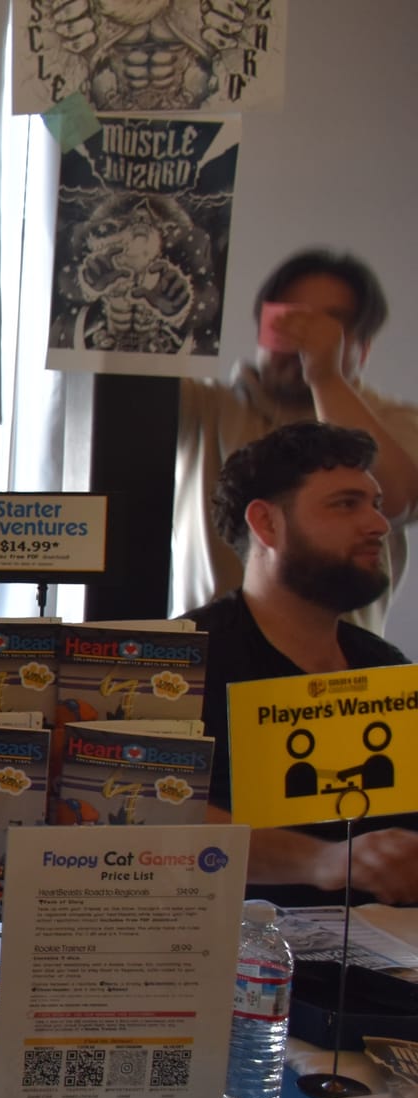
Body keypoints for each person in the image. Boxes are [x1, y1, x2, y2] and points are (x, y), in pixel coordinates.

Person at [185, 420, 418, 905]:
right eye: (346, 504)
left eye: (375, 505)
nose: (378, 525)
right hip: (238, 967)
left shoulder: (385, 669)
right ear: (267, 523)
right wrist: (324, 862)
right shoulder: (179, 668)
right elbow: (145, 817)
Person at [174, 249, 418, 636]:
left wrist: (325, 375)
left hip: (343, 675)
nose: (303, 332)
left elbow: (398, 500)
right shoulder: (203, 405)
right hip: (209, 662)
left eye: (330, 323)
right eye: (287, 315)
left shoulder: (394, 421)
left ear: (364, 348)